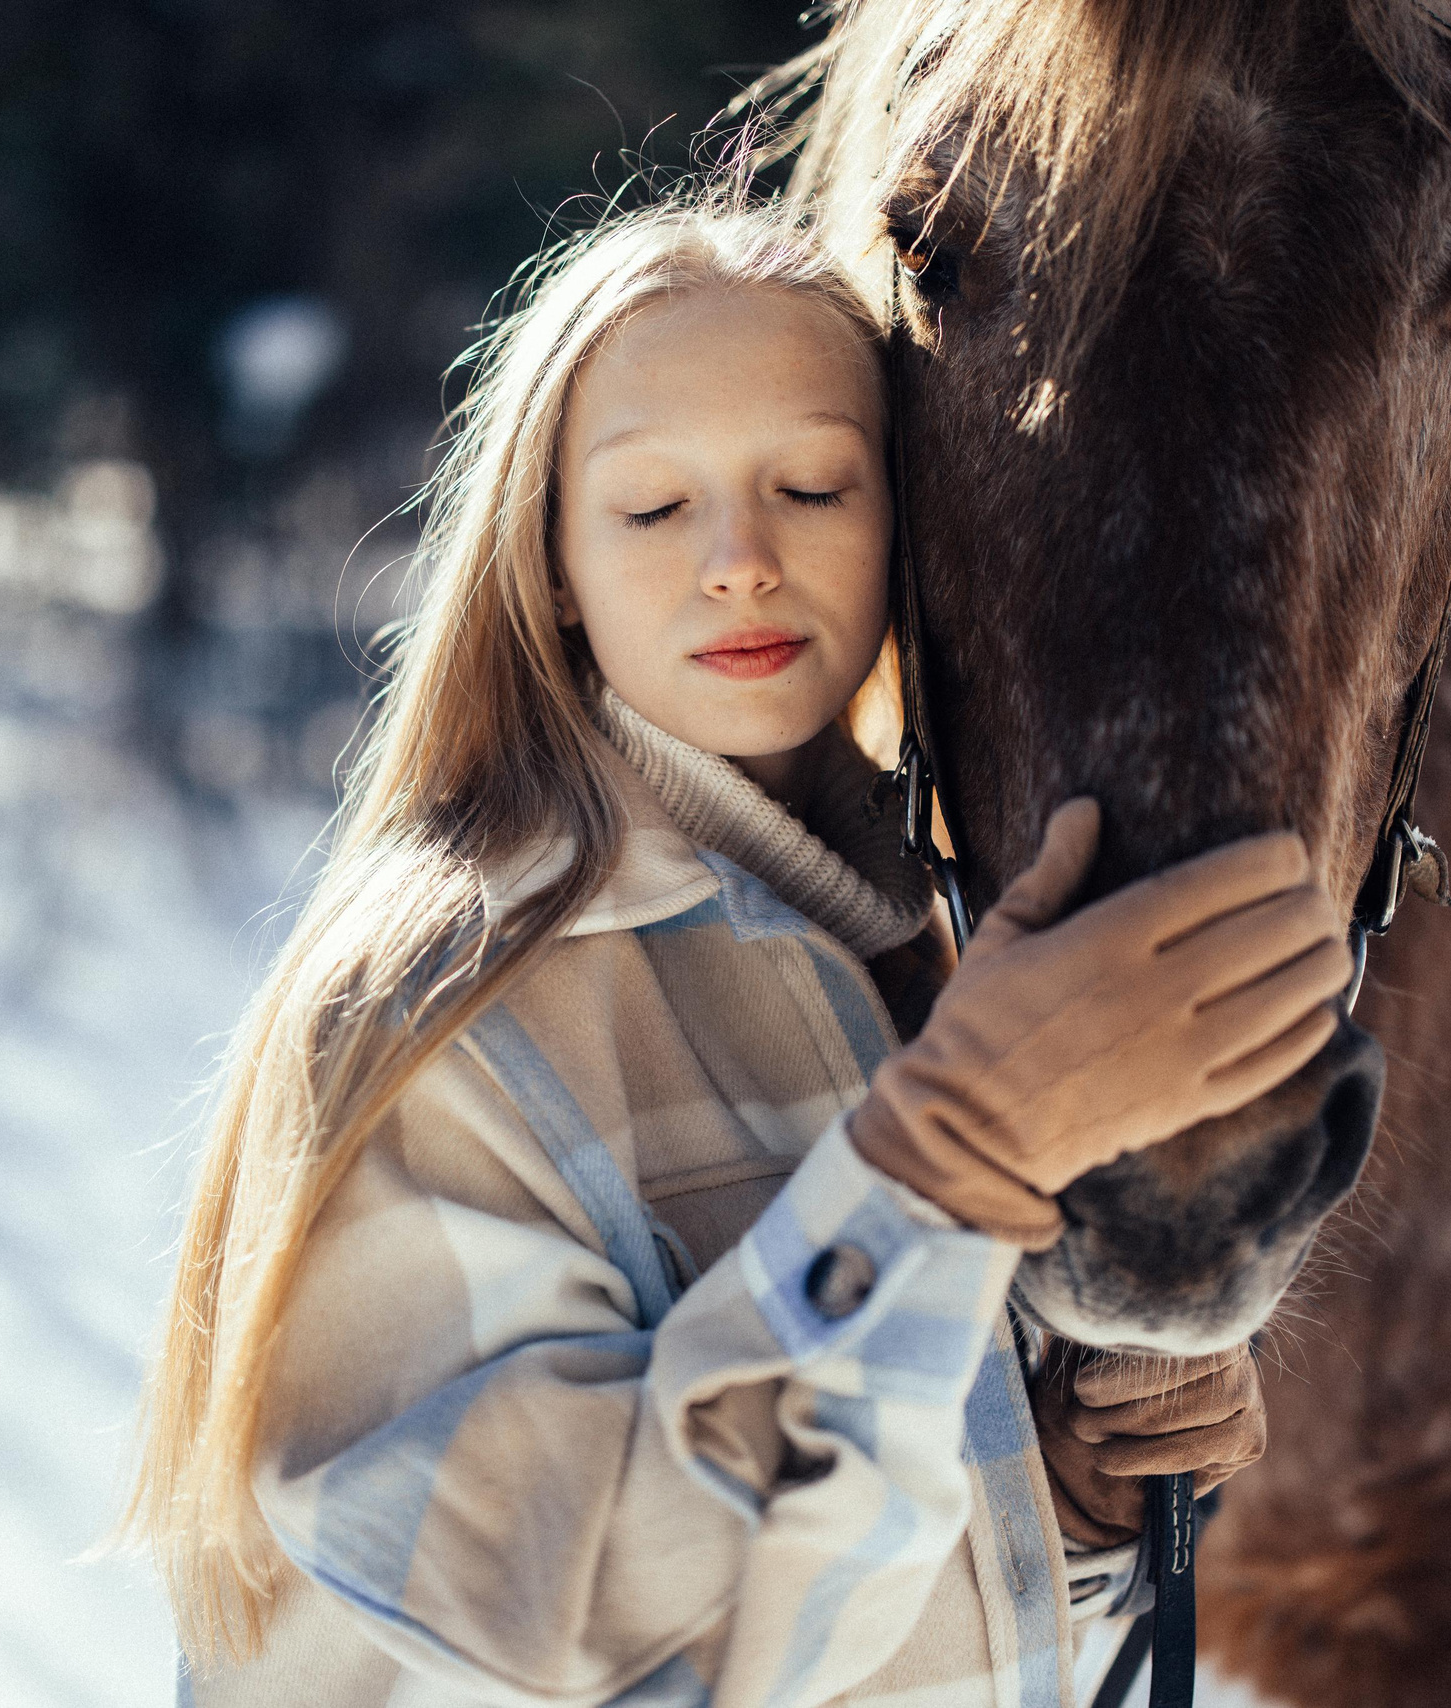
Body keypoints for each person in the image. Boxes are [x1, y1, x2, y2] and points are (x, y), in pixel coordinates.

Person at [124, 199, 1352, 1706]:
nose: (743, 561)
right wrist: (936, 1174)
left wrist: (1064, 1502)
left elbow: (858, 1632)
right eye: (653, 509)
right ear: (550, 561)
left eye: (817, 486)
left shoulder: (912, 953)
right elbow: (551, 1648)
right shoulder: (445, 1004)